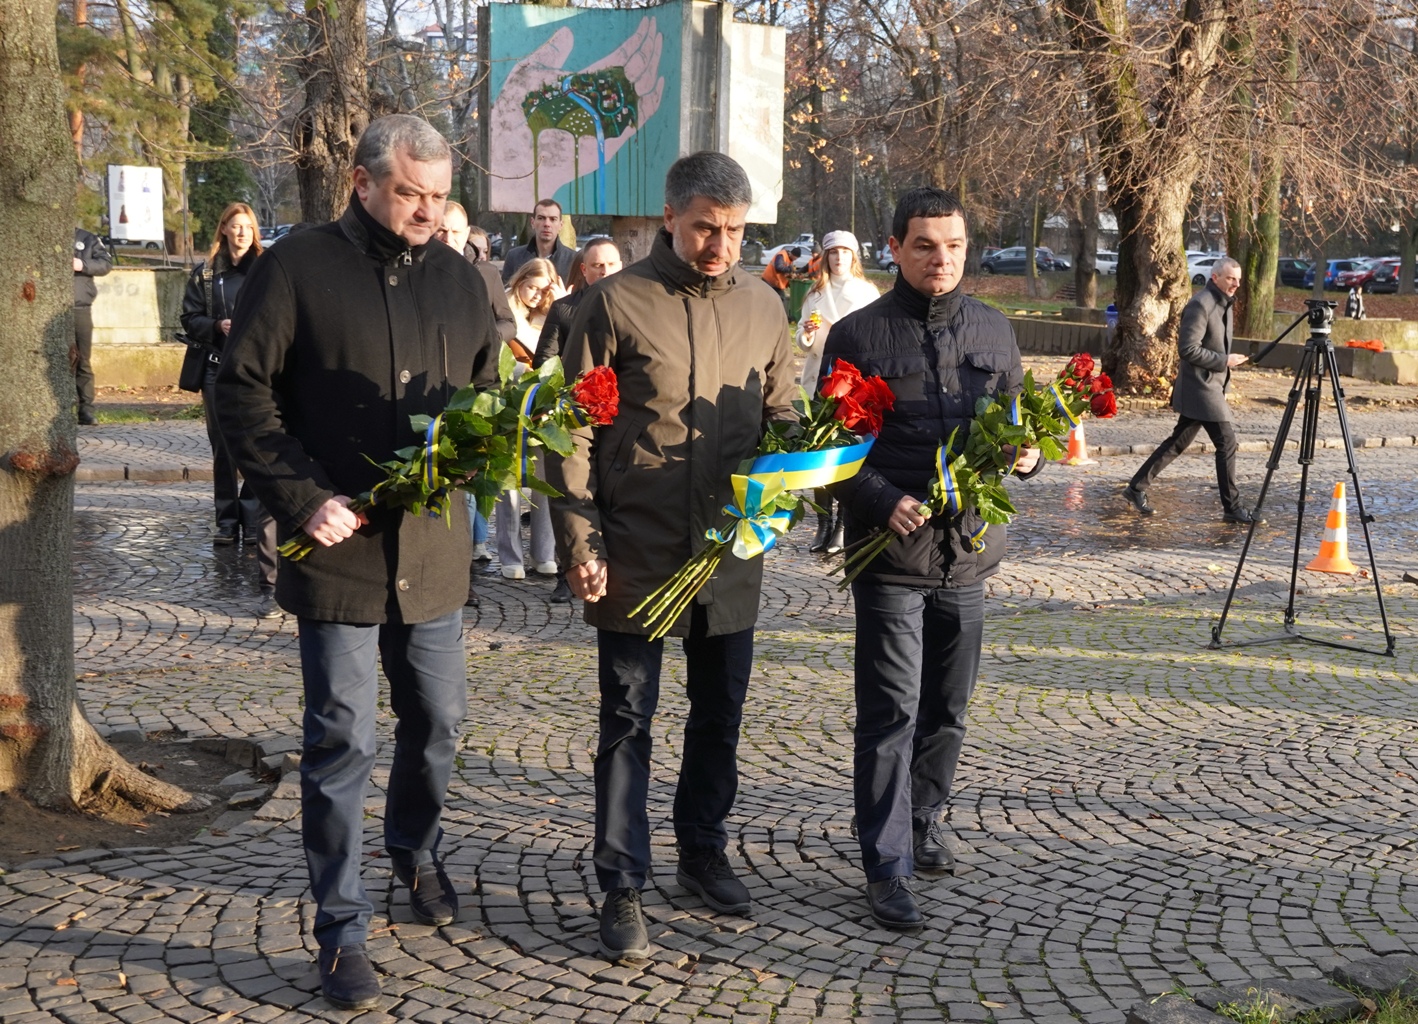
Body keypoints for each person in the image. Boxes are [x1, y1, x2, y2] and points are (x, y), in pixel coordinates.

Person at [213, 114, 499, 1010]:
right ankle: (340, 927)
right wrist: (301, 496)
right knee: (341, 741)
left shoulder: (463, 280)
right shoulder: (294, 268)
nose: (425, 210)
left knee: (440, 726)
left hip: (435, 555)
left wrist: (484, 442)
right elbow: (239, 393)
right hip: (335, 548)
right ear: (362, 182)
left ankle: (414, 851)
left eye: (440, 196)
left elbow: (486, 397)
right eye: (410, 192)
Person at [546, 152, 796, 961]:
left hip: (729, 551)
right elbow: (572, 433)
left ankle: (703, 849)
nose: (719, 245)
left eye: (733, 230)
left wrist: (800, 473)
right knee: (627, 721)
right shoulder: (613, 303)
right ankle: (621, 881)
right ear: (670, 218)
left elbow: (783, 418)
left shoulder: (764, 307)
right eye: (704, 229)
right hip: (636, 550)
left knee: (719, 717)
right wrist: (581, 540)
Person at [822, 186, 1042, 931]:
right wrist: (881, 497)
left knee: (948, 708)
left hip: (970, 556)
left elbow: (1020, 425)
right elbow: (830, 454)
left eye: (952, 245)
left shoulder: (994, 329)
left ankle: (923, 817)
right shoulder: (856, 336)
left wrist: (1032, 454)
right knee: (890, 714)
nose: (939, 258)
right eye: (924, 245)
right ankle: (885, 866)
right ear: (895, 248)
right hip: (890, 556)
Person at [180, 203, 281, 613]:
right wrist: (215, 327)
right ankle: (227, 519)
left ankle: (252, 510)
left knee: (254, 446)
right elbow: (190, 318)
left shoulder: (265, 267)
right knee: (222, 446)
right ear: (223, 230)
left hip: (255, 371)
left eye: (248, 227)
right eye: (234, 226)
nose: (241, 233)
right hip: (215, 369)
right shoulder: (206, 274)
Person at [1122, 257, 1259, 524]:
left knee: (1178, 443)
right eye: (1231, 278)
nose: (1236, 284)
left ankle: (1135, 488)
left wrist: (1227, 362)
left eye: (1238, 280)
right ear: (1215, 277)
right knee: (1227, 442)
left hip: (1210, 386)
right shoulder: (1200, 304)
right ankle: (1232, 507)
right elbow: (1188, 350)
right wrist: (1224, 361)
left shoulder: (1225, 304)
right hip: (1200, 388)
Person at [533, 237, 625, 605]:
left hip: (620, 418)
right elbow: (544, 361)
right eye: (597, 265)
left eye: (611, 265)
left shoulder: (632, 306)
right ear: (583, 270)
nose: (604, 271)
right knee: (571, 493)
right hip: (574, 415)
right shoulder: (564, 308)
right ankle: (567, 568)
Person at [795, 230, 881, 555]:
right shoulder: (815, 294)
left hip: (852, 385)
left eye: (845, 252)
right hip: (819, 379)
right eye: (833, 253)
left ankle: (843, 526)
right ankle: (823, 523)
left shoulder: (867, 292)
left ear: (854, 257)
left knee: (845, 453)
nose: (839, 258)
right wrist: (806, 334)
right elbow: (803, 341)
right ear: (826, 258)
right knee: (818, 451)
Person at [496, 259, 565, 581]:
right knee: (507, 486)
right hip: (509, 410)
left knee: (543, 483)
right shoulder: (503, 311)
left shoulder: (553, 315)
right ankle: (510, 556)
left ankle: (544, 553)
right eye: (531, 287)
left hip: (543, 413)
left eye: (543, 289)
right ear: (520, 280)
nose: (536, 295)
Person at [437, 202, 516, 344]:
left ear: (466, 233)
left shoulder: (487, 273)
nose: (448, 239)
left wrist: (485, 340)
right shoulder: (414, 268)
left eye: (455, 232)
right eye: (441, 230)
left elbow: (508, 323)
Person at [72, 226, 113, 425]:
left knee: (82, 360)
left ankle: (85, 409)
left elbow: (105, 264)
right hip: (47, 309)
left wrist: (82, 264)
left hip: (79, 308)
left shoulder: (86, 238)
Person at [501, 198, 576, 284]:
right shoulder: (514, 257)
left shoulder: (573, 260)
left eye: (553, 219)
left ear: (561, 225)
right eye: (541, 218)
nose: (547, 224)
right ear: (532, 222)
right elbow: (506, 293)